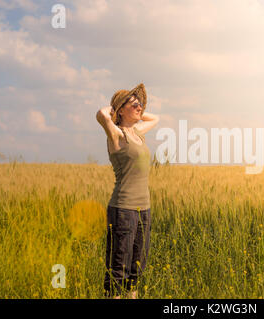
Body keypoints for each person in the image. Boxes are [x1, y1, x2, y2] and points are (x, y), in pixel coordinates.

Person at [96, 83, 159, 299]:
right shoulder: (117, 135)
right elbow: (101, 114)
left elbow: (155, 118)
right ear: (121, 110)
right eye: (134, 104)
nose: (140, 106)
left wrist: (136, 110)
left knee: (136, 269)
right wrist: (114, 110)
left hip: (144, 210)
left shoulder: (137, 133)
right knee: (118, 270)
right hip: (123, 209)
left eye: (140, 103)